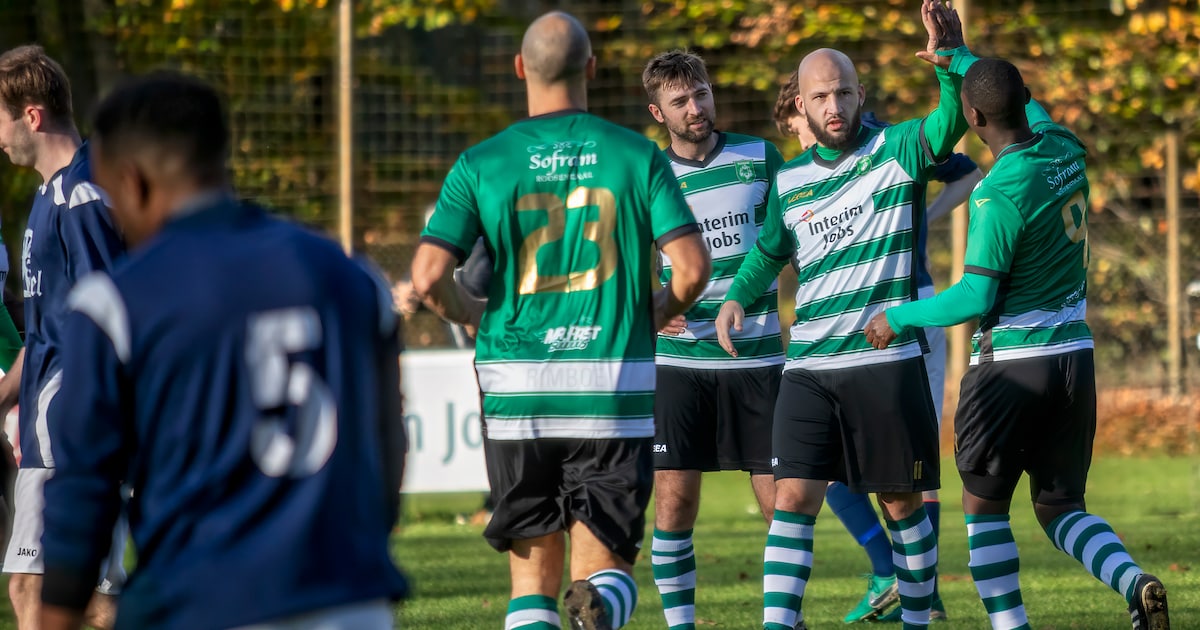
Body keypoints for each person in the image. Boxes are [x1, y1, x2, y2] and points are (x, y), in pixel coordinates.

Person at [36, 72, 410, 630]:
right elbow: (386, 445)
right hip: (349, 602)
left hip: (200, 601)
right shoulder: (352, 278)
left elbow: (84, 490)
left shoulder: (115, 303)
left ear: (132, 182)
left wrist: (58, 613)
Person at [411, 11, 711, 630]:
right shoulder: (636, 157)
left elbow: (426, 275)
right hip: (607, 386)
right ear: (592, 70)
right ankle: (600, 602)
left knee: (530, 581)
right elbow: (691, 270)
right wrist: (650, 315)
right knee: (602, 572)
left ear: (520, 68)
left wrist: (475, 315)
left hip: (516, 388)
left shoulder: (482, 163)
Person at [863, 55, 1171, 630]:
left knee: (982, 509)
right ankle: (1134, 582)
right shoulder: (1063, 143)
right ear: (1026, 96)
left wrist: (899, 315)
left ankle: (1013, 626)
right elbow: (1017, 99)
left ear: (972, 118)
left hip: (1010, 365)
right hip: (1075, 356)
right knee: (1060, 507)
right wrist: (959, 56)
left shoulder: (997, 193)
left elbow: (976, 297)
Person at [714, 2, 968, 628]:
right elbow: (771, 249)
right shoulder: (790, 179)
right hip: (807, 368)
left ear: (861, 95)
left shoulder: (898, 147)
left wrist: (950, 64)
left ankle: (917, 618)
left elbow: (950, 127)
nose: (835, 107)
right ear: (799, 105)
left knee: (901, 502)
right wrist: (736, 298)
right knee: (794, 495)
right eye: (821, 96)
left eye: (845, 93)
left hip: (883, 361)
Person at [771, 72, 983, 623]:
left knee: (905, 468)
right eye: (800, 130)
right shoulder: (803, 179)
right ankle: (895, 575)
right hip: (836, 343)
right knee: (823, 462)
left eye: (803, 131)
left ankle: (918, 592)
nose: (806, 141)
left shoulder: (888, 146)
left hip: (906, 310)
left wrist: (924, 218)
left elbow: (968, 171)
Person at [639, 50, 784, 630]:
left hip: (760, 357)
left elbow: (787, 241)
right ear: (658, 112)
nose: (695, 108)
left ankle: (785, 619)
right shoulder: (648, 172)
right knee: (675, 503)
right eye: (680, 101)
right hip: (679, 364)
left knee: (786, 506)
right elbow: (626, 257)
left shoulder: (761, 156)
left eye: (700, 93)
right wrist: (654, 303)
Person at [0, 44, 127, 630]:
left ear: (30, 114)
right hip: (48, 414)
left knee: (50, 590)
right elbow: (45, 331)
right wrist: (3, 398)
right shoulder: (47, 199)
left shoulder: (82, 194)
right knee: (46, 592)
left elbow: (109, 317)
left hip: (73, 416)